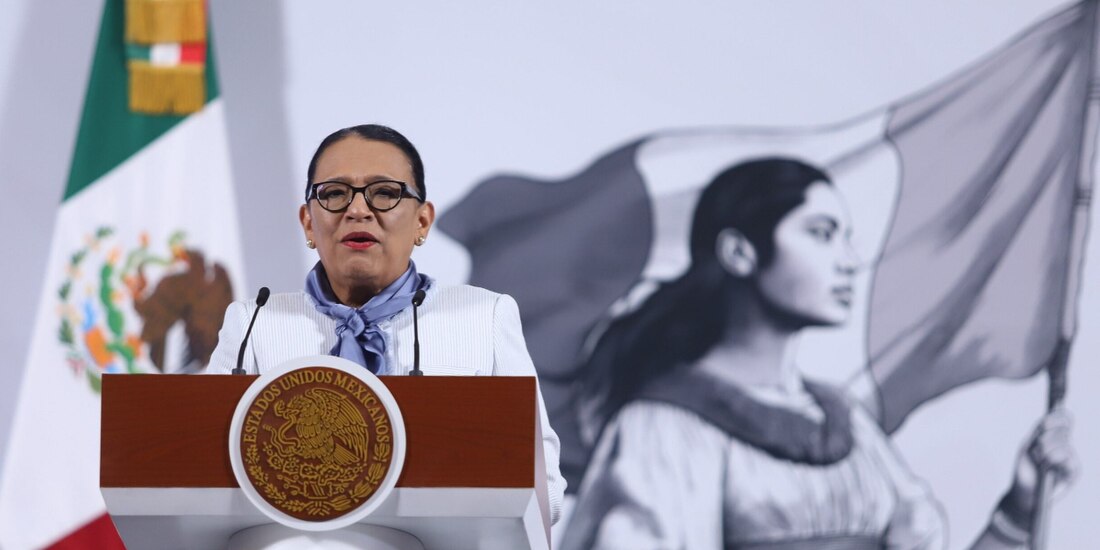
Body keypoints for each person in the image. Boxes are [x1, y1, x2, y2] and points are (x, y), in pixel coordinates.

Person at [559, 158, 1076, 550]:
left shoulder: (849, 426)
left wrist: (1019, 507)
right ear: (740, 252)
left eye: (847, 238)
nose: (850, 261)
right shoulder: (664, 429)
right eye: (822, 234)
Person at [206, 124, 566, 524]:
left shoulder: (483, 317)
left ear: (422, 222)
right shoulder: (255, 323)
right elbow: (199, 472)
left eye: (384, 193)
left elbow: (545, 488)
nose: (358, 210)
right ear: (309, 222)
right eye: (335, 193)